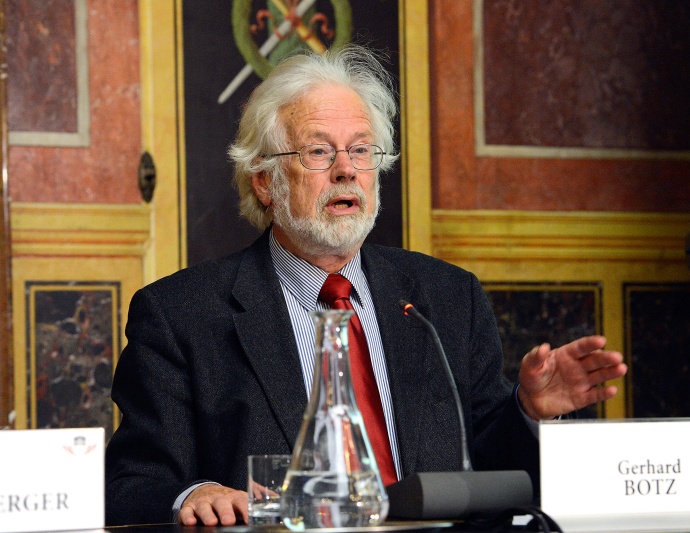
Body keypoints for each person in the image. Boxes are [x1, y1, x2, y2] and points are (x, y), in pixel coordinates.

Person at [104, 45, 627, 527]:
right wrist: (192, 493)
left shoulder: (446, 298)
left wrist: (528, 412)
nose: (345, 171)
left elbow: (484, 469)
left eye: (360, 151)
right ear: (264, 181)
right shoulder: (182, 315)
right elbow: (130, 484)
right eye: (318, 152)